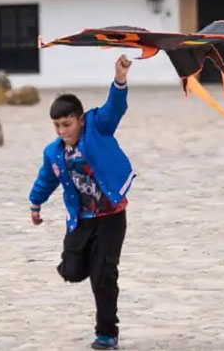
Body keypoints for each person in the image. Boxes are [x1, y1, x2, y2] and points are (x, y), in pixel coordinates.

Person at [28, 55, 135, 350]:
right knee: (73, 271)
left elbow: (115, 108)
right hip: (81, 220)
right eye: (57, 126)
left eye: (67, 124)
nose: (63, 131)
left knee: (104, 275)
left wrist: (120, 78)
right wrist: (35, 205)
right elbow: (45, 180)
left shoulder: (97, 128)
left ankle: (107, 333)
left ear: (80, 119)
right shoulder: (54, 153)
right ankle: (93, 262)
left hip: (112, 216)